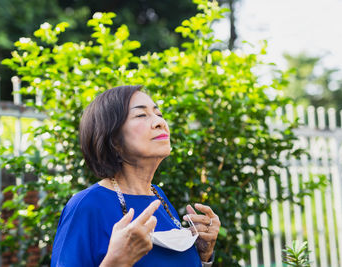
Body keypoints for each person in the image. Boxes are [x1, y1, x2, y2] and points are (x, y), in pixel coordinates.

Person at [51, 85, 221, 267]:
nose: (160, 122)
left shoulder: (158, 196)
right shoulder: (86, 206)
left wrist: (204, 256)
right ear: (114, 139)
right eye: (141, 115)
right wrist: (116, 263)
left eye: (159, 114)